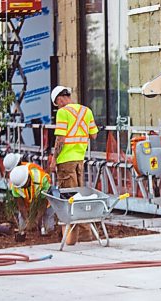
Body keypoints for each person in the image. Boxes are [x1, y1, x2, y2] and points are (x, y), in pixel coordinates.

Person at [49, 85, 98, 245]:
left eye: (57, 103)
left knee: (69, 198)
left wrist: (53, 159)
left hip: (65, 161)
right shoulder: (86, 111)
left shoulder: (63, 113)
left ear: (60, 99)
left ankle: (77, 234)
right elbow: (94, 135)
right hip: (79, 160)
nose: (58, 106)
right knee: (80, 196)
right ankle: (83, 232)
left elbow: (60, 139)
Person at [9, 164, 51, 234]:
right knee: (23, 229)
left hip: (45, 204)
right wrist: (28, 221)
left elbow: (44, 203)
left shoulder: (41, 179)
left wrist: (37, 220)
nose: (22, 187)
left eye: (24, 185)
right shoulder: (15, 185)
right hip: (27, 206)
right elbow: (21, 206)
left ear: (28, 178)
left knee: (48, 229)